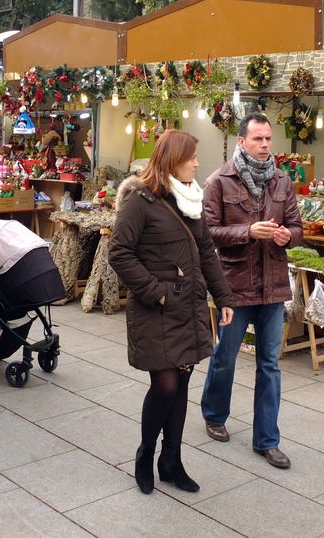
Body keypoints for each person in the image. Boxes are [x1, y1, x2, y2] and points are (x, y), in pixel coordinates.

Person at [109, 129, 235, 495]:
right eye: (191, 157)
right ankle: (145, 454)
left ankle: (172, 460)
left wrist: (223, 298)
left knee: (180, 383)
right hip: (157, 309)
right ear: (172, 160)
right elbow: (119, 253)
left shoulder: (191, 201)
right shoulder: (140, 200)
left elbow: (207, 254)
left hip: (188, 307)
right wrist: (155, 292)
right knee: (164, 384)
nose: (197, 163)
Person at [200, 112, 302, 470]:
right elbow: (209, 232)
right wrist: (248, 231)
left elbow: (297, 227)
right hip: (235, 287)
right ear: (241, 142)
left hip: (273, 288)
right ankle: (214, 414)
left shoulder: (282, 182)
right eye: (257, 139)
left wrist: (287, 235)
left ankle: (267, 440)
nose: (264, 145)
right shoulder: (219, 181)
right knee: (225, 356)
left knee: (270, 365)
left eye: (268, 139)